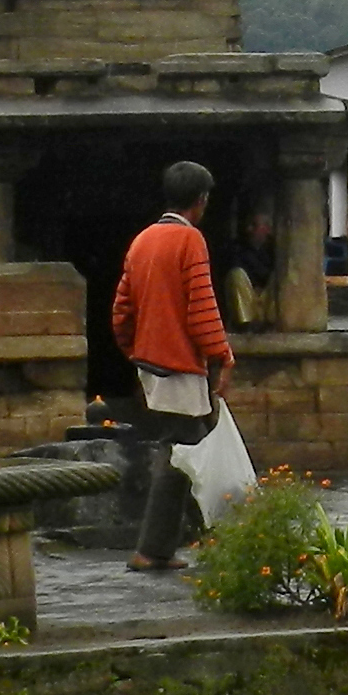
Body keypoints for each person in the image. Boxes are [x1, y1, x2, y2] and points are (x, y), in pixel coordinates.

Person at [110, 161, 233, 571]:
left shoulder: (142, 241)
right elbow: (202, 308)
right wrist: (222, 355)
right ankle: (164, 548)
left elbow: (121, 312)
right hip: (180, 367)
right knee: (189, 452)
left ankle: (164, 547)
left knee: (180, 452)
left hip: (151, 366)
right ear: (201, 201)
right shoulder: (190, 241)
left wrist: (136, 351)